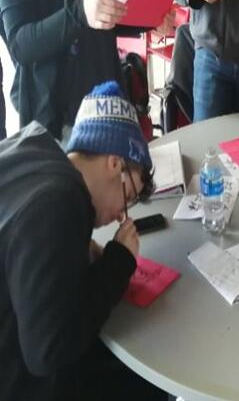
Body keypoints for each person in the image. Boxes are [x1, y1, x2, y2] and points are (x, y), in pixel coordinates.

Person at [0, 81, 167, 401]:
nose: (120, 216)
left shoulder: (34, 146)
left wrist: (75, 248)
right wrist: (118, 263)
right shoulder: (57, 203)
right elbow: (48, 352)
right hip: (18, 379)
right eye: (128, 197)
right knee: (148, 375)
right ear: (115, 164)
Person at [0, 0, 174, 141]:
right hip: (61, 113)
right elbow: (20, 44)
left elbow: (97, 18)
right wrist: (80, 12)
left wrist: (147, 21)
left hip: (108, 97)